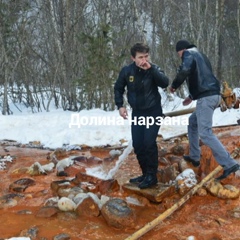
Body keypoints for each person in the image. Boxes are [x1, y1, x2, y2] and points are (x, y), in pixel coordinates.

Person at [170, 39, 240, 180]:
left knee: (205, 133)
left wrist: (174, 85)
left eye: (179, 54)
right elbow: (202, 78)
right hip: (212, 95)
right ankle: (195, 157)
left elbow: (185, 70)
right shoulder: (201, 55)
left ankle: (230, 164)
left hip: (206, 99)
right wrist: (191, 96)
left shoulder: (188, 54)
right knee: (193, 121)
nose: (180, 57)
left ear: (182, 49)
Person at [114, 42, 169, 188]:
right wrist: (120, 105)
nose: (144, 60)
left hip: (153, 111)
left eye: (146, 56)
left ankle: (152, 176)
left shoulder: (153, 69)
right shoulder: (127, 71)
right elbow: (118, 88)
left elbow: (165, 83)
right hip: (138, 113)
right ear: (133, 58)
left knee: (149, 143)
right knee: (138, 144)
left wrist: (151, 70)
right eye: (140, 57)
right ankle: (145, 173)